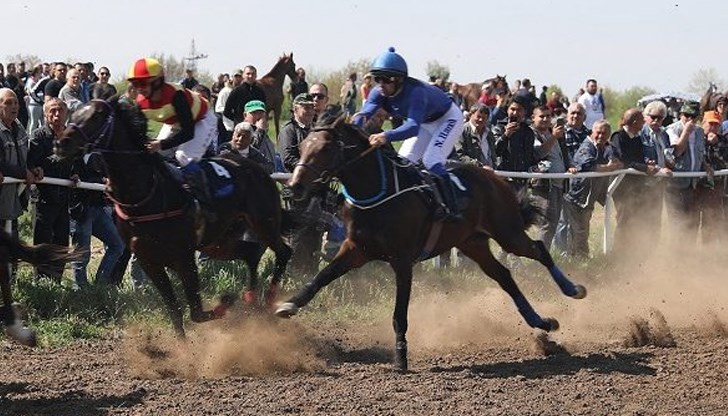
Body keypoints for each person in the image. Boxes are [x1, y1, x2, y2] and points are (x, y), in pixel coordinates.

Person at [353, 47, 465, 220]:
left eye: (386, 79)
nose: (380, 84)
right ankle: (419, 204)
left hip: (448, 118)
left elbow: (412, 128)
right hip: (426, 123)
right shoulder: (379, 91)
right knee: (403, 162)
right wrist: (353, 126)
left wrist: (385, 136)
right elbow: (364, 114)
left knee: (431, 160)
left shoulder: (415, 93)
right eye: (377, 79)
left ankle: (453, 208)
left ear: (398, 80)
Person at [127, 57, 218, 205]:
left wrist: (161, 144)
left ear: (157, 82)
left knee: (182, 156)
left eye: (142, 83)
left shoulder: (176, 95)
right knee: (149, 153)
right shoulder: (140, 102)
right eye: (134, 84)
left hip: (202, 119)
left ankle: (205, 201)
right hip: (176, 121)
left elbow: (188, 133)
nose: (138, 88)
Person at [27, 98, 72, 281]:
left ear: (66, 113)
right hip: (44, 199)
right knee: (43, 244)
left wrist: (75, 174)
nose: (56, 114)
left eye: (60, 110)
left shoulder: (71, 136)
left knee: (61, 244)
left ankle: (56, 283)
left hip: (64, 200)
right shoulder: (39, 136)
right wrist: (60, 154)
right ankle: (41, 286)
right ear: (45, 114)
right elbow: (34, 164)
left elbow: (76, 164)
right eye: (52, 111)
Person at [563, 120, 622, 257]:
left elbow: (616, 159)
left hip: (588, 197)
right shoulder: (587, 146)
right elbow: (588, 165)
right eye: (598, 133)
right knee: (579, 230)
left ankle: (576, 257)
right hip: (576, 197)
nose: (601, 136)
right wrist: (609, 167)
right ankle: (580, 258)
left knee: (582, 229)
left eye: (604, 133)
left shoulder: (605, 146)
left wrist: (612, 162)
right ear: (592, 132)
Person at [0, 88, 42, 278]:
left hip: (13, 199)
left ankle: (13, 285)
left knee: (13, 243)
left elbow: (26, 155)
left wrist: (33, 168)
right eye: (8, 103)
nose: (14, 106)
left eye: (16, 102)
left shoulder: (19, 127)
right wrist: (22, 172)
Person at [530, 106, 575, 249]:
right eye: (541, 116)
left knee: (553, 224)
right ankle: (540, 259)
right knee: (546, 224)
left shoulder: (554, 133)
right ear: (533, 118)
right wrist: (554, 136)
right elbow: (538, 154)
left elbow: (564, 154)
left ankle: (544, 256)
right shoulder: (532, 134)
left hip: (558, 185)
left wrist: (570, 166)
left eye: (548, 116)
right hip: (543, 186)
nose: (545, 119)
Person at [665, 101, 705, 242]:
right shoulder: (671, 130)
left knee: (692, 222)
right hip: (675, 185)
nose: (690, 119)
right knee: (678, 224)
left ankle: (690, 256)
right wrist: (686, 131)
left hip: (693, 185)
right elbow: (677, 151)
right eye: (687, 115)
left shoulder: (700, 132)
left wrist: (706, 166)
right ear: (680, 114)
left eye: (694, 116)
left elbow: (700, 155)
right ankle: (677, 256)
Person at [695, 110, 728, 244]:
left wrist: (715, 145)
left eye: (716, 124)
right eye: (710, 124)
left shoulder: (723, 141)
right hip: (695, 185)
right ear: (703, 123)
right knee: (692, 218)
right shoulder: (695, 138)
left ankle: (709, 248)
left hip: (715, 186)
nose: (713, 127)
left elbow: (725, 161)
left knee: (711, 218)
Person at [492, 95, 537, 192]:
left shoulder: (528, 132)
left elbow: (529, 156)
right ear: (507, 110)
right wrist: (506, 135)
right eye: (512, 109)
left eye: (519, 110)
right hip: (504, 180)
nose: (515, 113)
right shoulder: (498, 128)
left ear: (524, 112)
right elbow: (495, 151)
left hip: (522, 181)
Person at [451, 103, 494, 168]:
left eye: (484, 118)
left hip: (490, 174)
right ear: (470, 115)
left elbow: (493, 155)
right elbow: (459, 156)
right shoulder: (461, 131)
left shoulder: (489, 134)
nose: (481, 120)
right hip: (471, 174)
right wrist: (479, 166)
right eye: (478, 116)